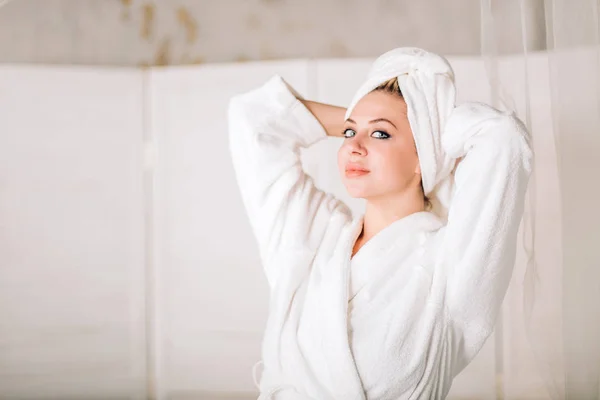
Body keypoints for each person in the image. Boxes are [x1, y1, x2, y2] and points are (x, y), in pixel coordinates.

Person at [227, 47, 532, 400]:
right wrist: (367, 121)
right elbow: (254, 119)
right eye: (347, 133)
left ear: (424, 156)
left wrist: (430, 127)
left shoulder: (449, 265)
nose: (353, 146)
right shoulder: (314, 236)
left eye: (380, 135)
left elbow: (503, 138)